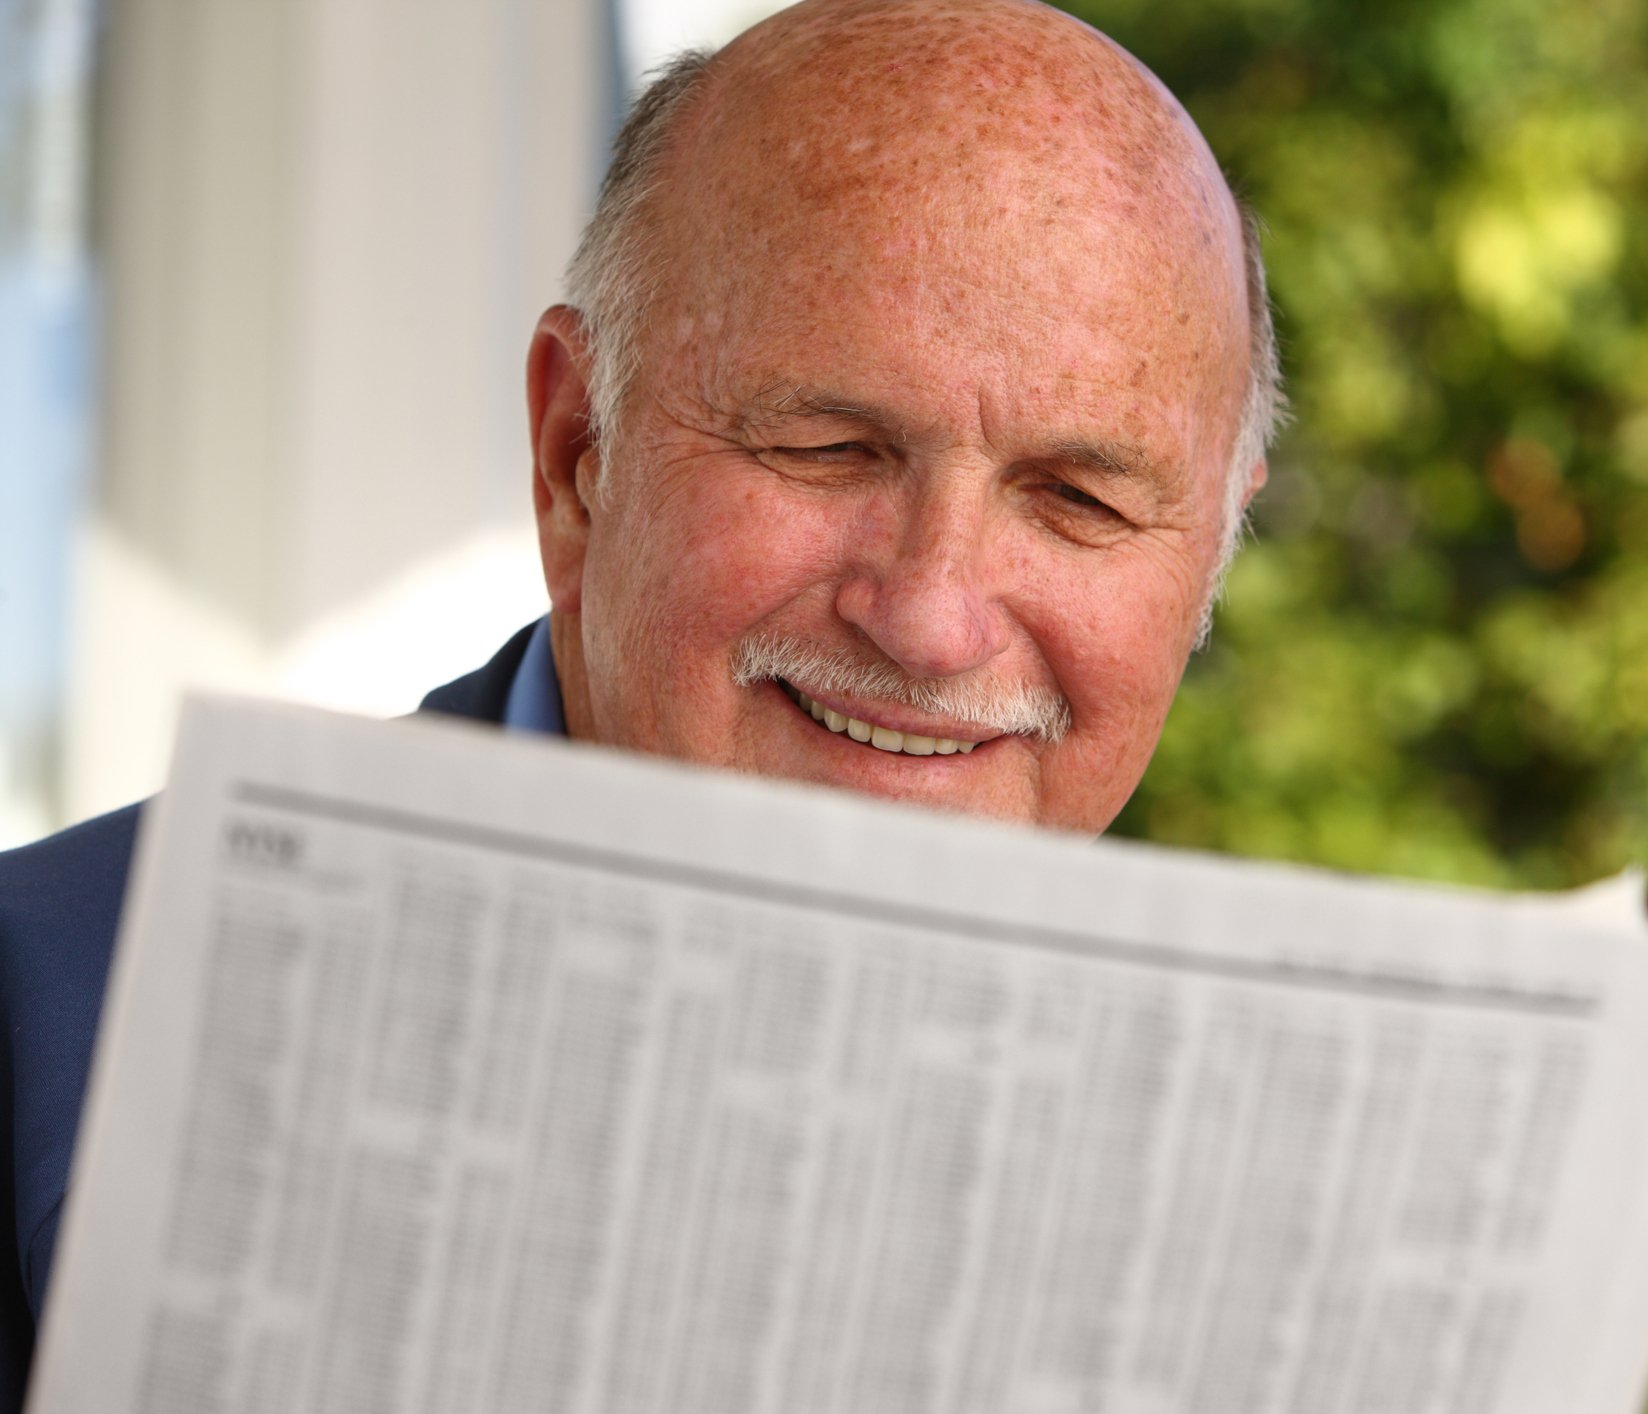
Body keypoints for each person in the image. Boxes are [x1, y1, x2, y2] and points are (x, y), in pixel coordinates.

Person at [0, 0, 1282, 1400]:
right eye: (829, 446)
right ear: (576, 454)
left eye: (1079, 499)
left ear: (1212, 550)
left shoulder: (1314, 1169)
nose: (929, 615)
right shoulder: (48, 1033)